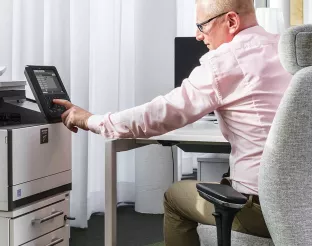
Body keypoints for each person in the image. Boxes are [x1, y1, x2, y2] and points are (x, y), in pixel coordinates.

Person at [54, 0, 292, 245]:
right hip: (304, 203)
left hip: (266, 209)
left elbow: (159, 114)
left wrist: (93, 120)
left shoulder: (224, 62)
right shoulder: (289, 51)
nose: (198, 35)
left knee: (175, 197)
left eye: (203, 25)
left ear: (231, 21)